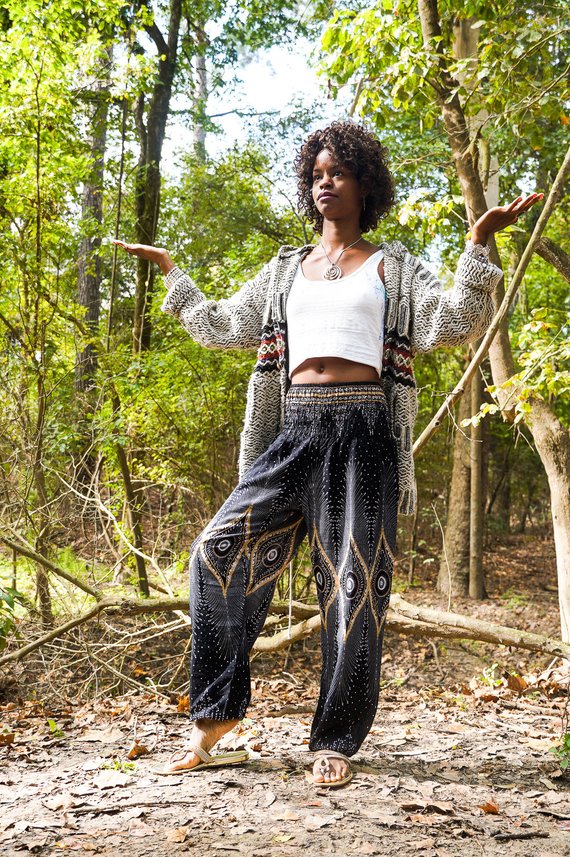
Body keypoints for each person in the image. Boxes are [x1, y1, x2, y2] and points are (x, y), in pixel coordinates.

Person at [114, 121, 543, 787]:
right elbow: (226, 325)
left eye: (338, 171)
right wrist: (176, 276)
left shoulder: (393, 268)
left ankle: (334, 739)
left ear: (365, 184)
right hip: (293, 434)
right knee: (216, 552)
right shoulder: (285, 269)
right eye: (315, 171)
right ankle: (217, 722)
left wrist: (478, 245)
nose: (324, 180)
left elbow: (452, 321)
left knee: (354, 586)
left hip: (364, 432)